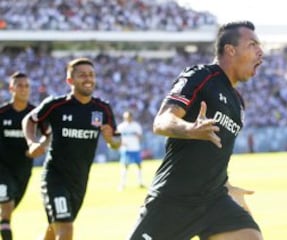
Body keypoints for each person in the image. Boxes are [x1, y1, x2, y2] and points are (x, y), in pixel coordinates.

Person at [128, 21, 264, 240]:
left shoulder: (238, 103)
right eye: (252, 44)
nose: (261, 52)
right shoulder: (201, 76)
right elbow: (162, 121)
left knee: (250, 236)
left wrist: (227, 186)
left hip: (214, 200)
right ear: (231, 49)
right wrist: (190, 128)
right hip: (174, 199)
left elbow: (215, 155)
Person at [22, 58, 121, 240]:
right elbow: (29, 120)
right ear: (70, 80)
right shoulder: (56, 105)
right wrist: (31, 142)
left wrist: (110, 139)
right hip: (55, 178)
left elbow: (116, 142)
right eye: (82, 75)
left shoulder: (102, 109)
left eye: (91, 75)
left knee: (56, 228)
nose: (88, 79)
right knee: (66, 228)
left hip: (79, 181)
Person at [0, 72, 43, 240]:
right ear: (12, 88)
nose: (24, 89)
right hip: (2, 168)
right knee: (6, 207)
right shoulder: (2, 112)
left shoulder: (35, 114)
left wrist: (39, 146)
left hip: (24, 169)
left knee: (10, 208)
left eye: (27, 86)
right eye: (20, 85)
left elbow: (48, 134)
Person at [116, 111, 144, 190]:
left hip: (135, 148)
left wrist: (138, 137)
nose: (127, 118)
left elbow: (140, 136)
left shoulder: (136, 126)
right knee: (125, 166)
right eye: (125, 117)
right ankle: (122, 184)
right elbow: (118, 137)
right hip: (126, 149)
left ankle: (140, 182)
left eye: (128, 117)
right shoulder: (121, 127)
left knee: (139, 166)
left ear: (131, 117)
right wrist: (121, 143)